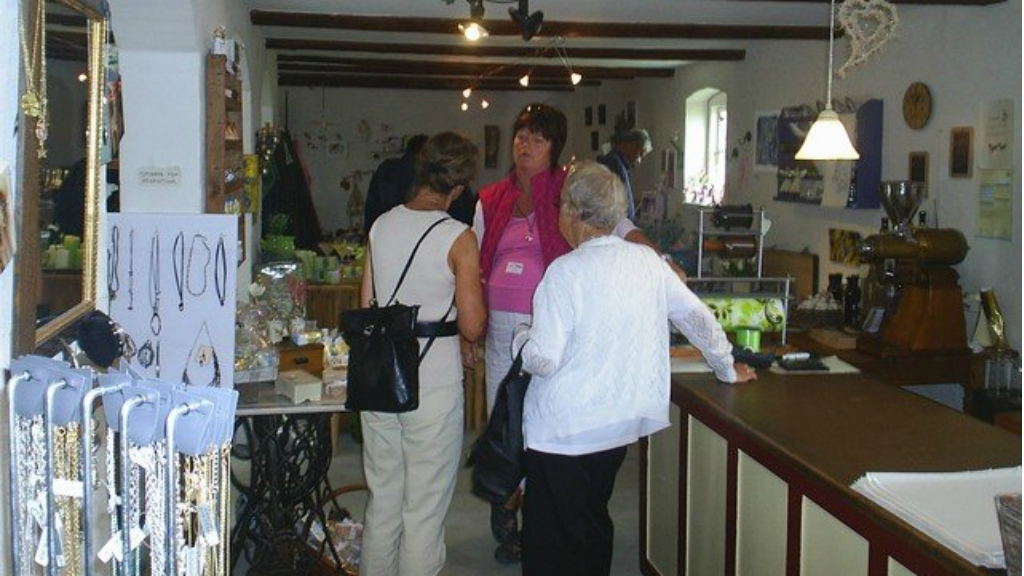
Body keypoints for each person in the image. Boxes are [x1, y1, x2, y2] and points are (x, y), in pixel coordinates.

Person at [512, 161, 757, 576]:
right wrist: (726, 367)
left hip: (562, 430)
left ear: (573, 212)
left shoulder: (564, 272)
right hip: (616, 423)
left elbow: (544, 359)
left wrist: (521, 338)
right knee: (593, 519)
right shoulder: (647, 263)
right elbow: (698, 318)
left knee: (552, 537)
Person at [358, 131, 487, 576]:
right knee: (424, 511)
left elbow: (366, 306)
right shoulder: (459, 237)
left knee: (384, 500)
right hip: (432, 381)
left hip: (380, 378)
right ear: (459, 186)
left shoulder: (381, 226)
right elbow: (472, 324)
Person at [363, 133, 429, 233]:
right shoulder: (426, 172)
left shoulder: (386, 168)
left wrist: (368, 232)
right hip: (412, 231)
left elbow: (371, 204)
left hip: (383, 229)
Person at [596, 127, 651, 221]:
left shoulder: (621, 165)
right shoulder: (614, 163)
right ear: (632, 145)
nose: (639, 161)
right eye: (640, 154)